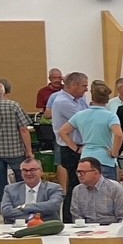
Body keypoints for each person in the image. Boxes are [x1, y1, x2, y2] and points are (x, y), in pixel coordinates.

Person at [56, 80, 122, 182]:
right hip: (105, 159)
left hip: (86, 157)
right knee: (108, 192)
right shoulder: (110, 116)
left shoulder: (80, 115)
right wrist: (114, 152)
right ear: (107, 99)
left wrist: (76, 149)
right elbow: (118, 134)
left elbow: (62, 132)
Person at [46, 73, 89, 219]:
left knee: (80, 184)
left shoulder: (79, 99)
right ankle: (69, 218)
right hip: (70, 148)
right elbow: (85, 120)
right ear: (73, 85)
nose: (86, 89)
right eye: (84, 86)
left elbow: (87, 112)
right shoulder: (63, 102)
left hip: (78, 146)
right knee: (74, 185)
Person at [0, 82, 30, 196]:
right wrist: (29, 151)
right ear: (4, 92)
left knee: (1, 181)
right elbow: (24, 129)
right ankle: (22, 201)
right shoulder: (14, 106)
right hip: (15, 151)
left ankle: (4, 204)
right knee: (21, 179)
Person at [0, 159, 61, 224]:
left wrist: (25, 207)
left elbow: (53, 206)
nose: (28, 173)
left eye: (32, 170)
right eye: (25, 170)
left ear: (41, 171)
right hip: (16, 228)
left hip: (46, 227)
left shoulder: (54, 188)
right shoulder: (10, 189)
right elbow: (6, 211)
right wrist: (33, 216)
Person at [70, 157, 123, 224]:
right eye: (78, 172)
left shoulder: (114, 188)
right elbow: (77, 217)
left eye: (82, 172)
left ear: (96, 173)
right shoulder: (77, 190)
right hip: (87, 230)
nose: (79, 175)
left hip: (110, 228)